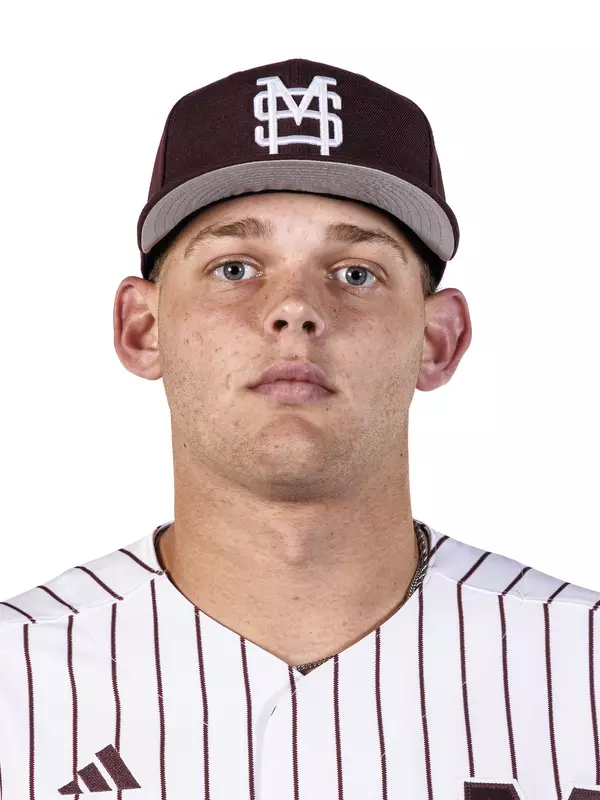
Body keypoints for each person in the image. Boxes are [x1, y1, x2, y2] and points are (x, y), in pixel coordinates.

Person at [0, 58, 598, 800]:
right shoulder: (14, 682)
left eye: (355, 273)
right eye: (234, 268)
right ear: (143, 327)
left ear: (437, 341)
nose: (293, 310)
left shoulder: (584, 671)